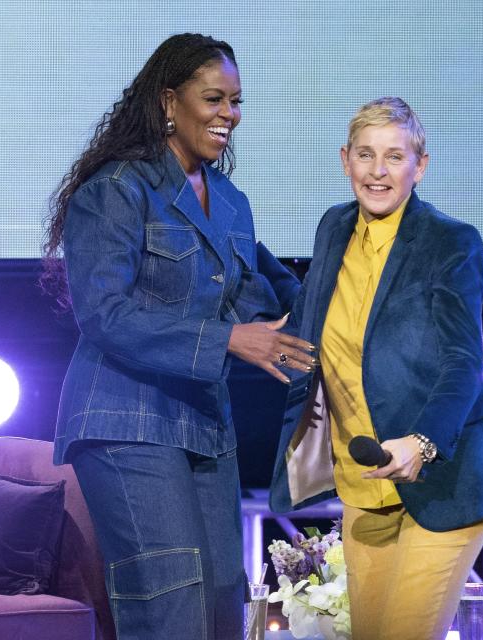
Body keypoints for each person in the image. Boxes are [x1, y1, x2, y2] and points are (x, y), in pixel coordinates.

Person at [42, 33, 313, 639]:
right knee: (172, 606)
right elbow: (104, 314)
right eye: (214, 99)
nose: (229, 115)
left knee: (224, 603)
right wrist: (228, 341)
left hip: (204, 427)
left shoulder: (233, 205)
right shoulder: (116, 189)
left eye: (236, 102)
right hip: (123, 421)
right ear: (169, 101)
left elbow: (274, 300)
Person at [269, 97, 483, 639]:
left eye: (394, 156)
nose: (377, 171)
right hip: (364, 486)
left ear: (419, 166)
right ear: (345, 160)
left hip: (445, 481)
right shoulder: (334, 227)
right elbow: (316, 306)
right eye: (365, 154)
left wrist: (423, 441)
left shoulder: (449, 242)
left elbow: (463, 362)